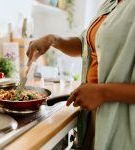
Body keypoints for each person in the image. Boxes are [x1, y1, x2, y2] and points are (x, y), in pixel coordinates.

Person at [26, 0, 135, 149]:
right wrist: (53, 40)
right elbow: (86, 45)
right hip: (94, 113)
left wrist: (103, 93)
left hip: (123, 122)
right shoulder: (110, 4)